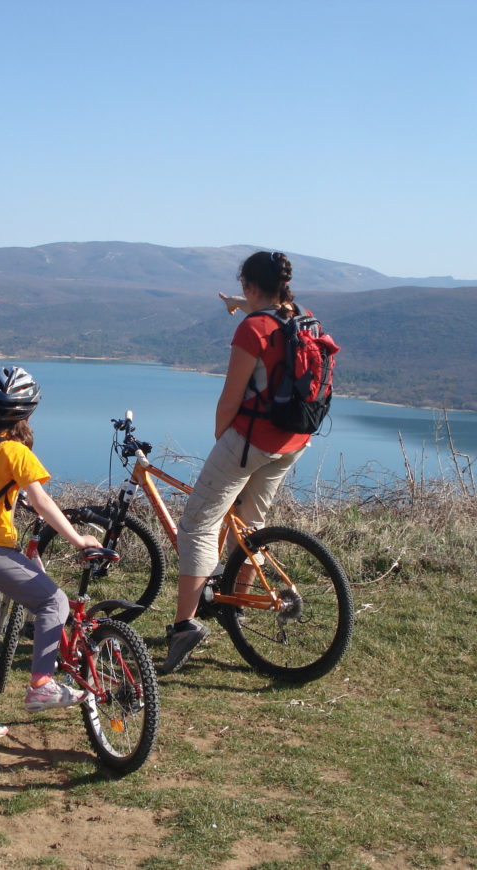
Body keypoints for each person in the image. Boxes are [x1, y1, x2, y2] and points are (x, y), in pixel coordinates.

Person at [159, 251, 313, 675]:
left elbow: (230, 397)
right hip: (294, 439)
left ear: (250, 285)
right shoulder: (298, 315)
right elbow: (266, 307)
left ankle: (184, 626)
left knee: (198, 523)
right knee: (250, 523)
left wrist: (222, 440)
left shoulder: (252, 330)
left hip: (250, 441)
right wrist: (235, 302)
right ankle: (239, 606)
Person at [0, 366, 102, 745]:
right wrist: (79, 539)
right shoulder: (15, 451)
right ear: (27, 413)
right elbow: (42, 502)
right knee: (52, 601)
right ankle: (41, 683)